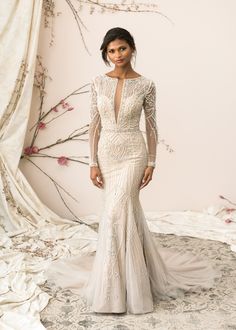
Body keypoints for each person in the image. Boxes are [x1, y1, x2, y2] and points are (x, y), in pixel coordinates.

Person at [45, 27, 221, 315]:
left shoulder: (146, 84)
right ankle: (122, 283)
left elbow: (151, 125)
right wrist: (92, 162)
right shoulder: (97, 83)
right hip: (106, 153)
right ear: (106, 54)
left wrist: (151, 161)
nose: (117, 55)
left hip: (133, 152)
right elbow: (94, 125)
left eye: (122, 49)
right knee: (122, 213)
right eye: (111, 51)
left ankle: (125, 288)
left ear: (132, 48)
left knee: (117, 211)